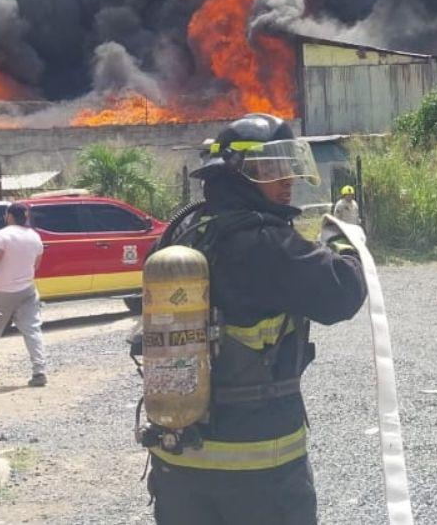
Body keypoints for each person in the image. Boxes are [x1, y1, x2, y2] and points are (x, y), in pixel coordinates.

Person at [146, 113, 367, 525]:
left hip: (178, 462)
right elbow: (343, 293)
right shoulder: (266, 242)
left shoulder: (183, 233)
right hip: (258, 470)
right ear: (240, 174)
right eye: (272, 168)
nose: (287, 179)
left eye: (288, 166)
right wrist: (345, 240)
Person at [0, 202, 46, 388]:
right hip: (27, 291)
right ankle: (39, 371)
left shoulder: (3, 235)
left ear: (9, 215)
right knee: (32, 330)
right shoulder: (35, 236)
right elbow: (36, 264)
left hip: (2, 293)